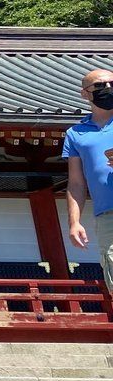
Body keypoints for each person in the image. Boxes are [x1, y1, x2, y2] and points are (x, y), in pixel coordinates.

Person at [64, 68, 113, 293]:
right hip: (107, 215)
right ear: (85, 94)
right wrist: (74, 222)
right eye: (100, 86)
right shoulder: (76, 133)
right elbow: (76, 183)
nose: (109, 89)